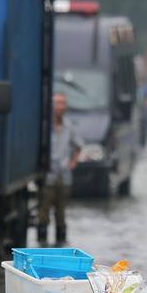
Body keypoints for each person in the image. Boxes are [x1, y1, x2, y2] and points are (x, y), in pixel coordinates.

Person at [39, 92, 82, 246]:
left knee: (61, 214)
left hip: (64, 176)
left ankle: (61, 243)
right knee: (43, 213)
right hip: (48, 175)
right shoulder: (44, 126)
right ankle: (42, 243)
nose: (60, 107)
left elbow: (78, 146)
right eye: (57, 103)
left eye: (63, 103)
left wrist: (73, 163)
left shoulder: (69, 126)